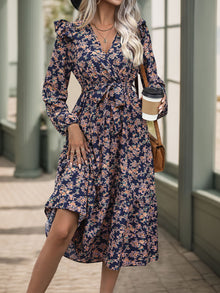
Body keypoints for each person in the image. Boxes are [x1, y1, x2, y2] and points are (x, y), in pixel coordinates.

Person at [26, 0, 168, 292]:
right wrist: (71, 126)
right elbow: (52, 91)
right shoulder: (71, 34)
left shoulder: (136, 31)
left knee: (117, 222)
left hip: (129, 142)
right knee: (62, 228)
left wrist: (159, 102)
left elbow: (154, 83)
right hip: (85, 141)